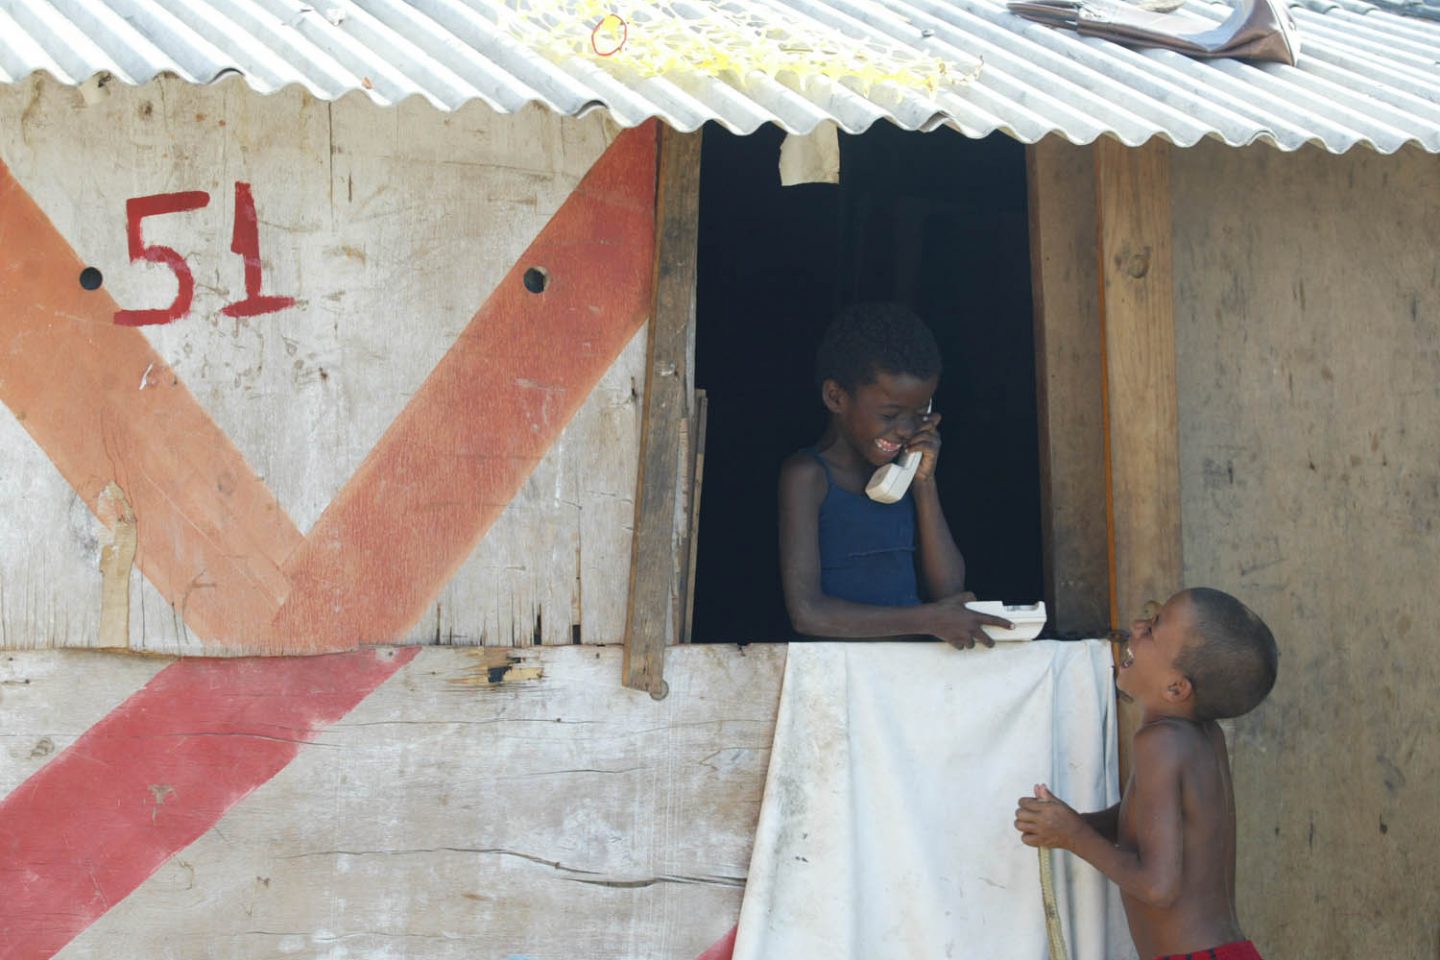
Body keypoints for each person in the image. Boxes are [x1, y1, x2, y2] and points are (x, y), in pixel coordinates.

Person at [1014, 587, 1279, 960]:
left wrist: (1072, 835)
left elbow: (1157, 886)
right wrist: (1076, 823)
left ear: (1175, 687)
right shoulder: (1202, 737)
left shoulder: (1159, 742)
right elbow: (1144, 820)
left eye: (1154, 629)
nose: (1137, 627)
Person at [777, 302, 1010, 648]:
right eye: (889, 415)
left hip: (908, 673)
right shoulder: (808, 477)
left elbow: (949, 591)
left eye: (918, 414)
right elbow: (808, 613)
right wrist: (929, 619)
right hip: (842, 678)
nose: (905, 429)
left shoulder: (906, 474)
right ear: (836, 397)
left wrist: (923, 482)